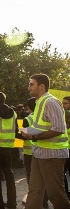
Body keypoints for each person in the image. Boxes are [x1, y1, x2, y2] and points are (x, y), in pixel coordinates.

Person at [21, 74, 70, 208]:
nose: (28, 87)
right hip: (39, 153)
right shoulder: (40, 102)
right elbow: (41, 126)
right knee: (34, 192)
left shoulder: (51, 102)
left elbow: (59, 128)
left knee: (56, 195)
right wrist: (29, 131)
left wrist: (34, 137)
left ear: (41, 86)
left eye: (32, 84)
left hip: (52, 155)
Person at [17, 97, 49, 207]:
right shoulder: (44, 117)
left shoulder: (28, 119)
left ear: (29, 107)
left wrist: (17, 132)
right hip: (44, 150)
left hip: (30, 153)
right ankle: (44, 201)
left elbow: (25, 136)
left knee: (32, 179)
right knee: (43, 177)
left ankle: (34, 201)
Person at [62, 96, 70, 199]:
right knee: (62, 174)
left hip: (66, 149)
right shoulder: (63, 115)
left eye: (66, 103)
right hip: (64, 148)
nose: (63, 105)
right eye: (62, 103)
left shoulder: (67, 115)